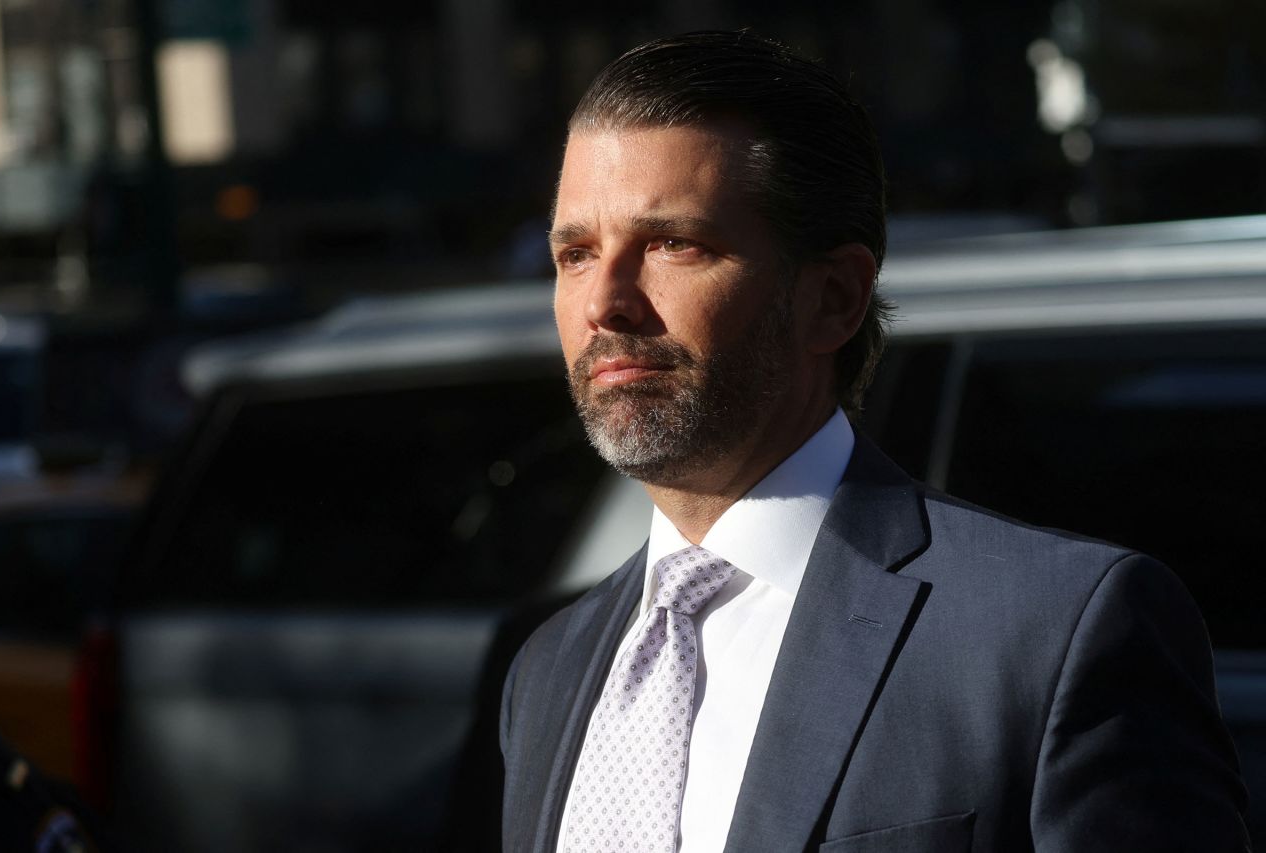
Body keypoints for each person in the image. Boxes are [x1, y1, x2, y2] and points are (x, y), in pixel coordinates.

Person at [498, 31, 1248, 852]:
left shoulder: (1057, 634)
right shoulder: (550, 668)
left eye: (676, 244)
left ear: (835, 297)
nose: (604, 302)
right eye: (575, 254)